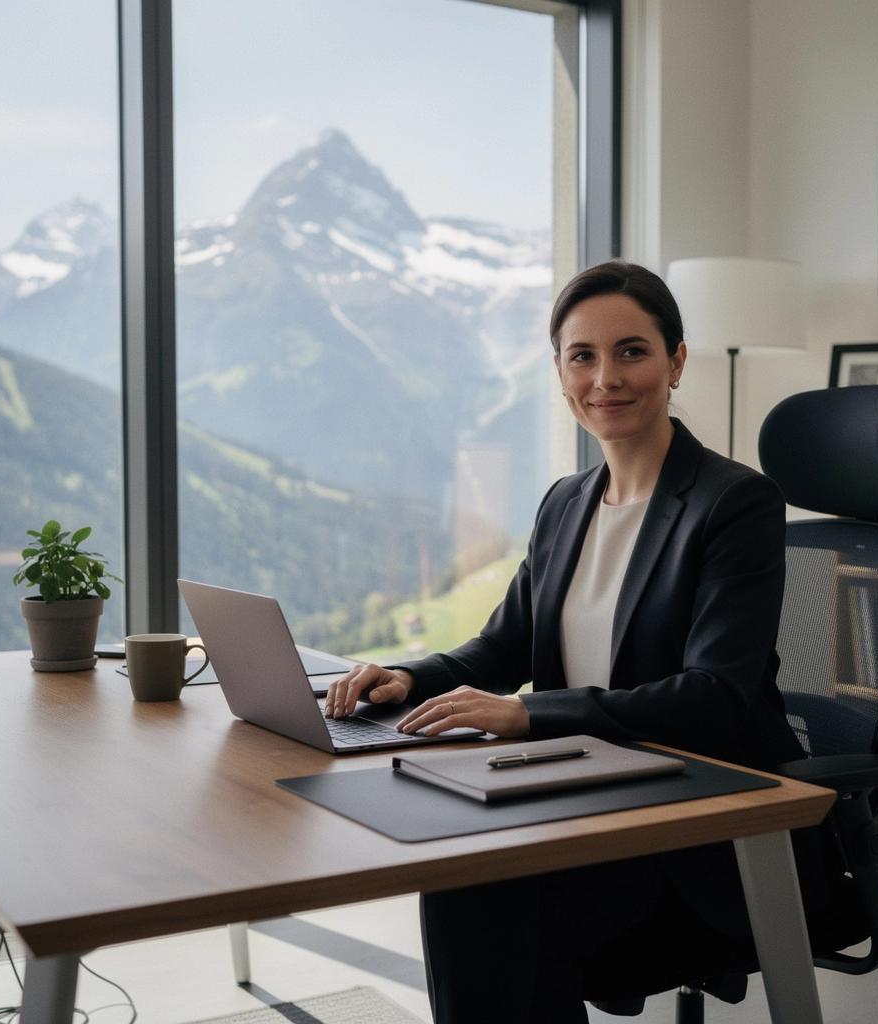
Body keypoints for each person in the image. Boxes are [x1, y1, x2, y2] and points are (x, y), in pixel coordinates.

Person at [324, 261, 829, 1024]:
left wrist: (529, 716)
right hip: (585, 796)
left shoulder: (735, 503)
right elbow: (504, 647)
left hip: (699, 823)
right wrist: (405, 677)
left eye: (632, 351)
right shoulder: (566, 501)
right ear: (559, 372)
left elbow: (716, 700)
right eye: (582, 356)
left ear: (677, 361)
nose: (606, 378)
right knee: (461, 872)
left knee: (489, 900)